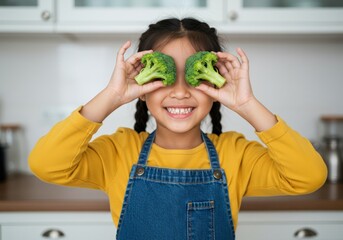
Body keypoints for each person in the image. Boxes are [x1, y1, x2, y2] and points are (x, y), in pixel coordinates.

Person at [29, 18, 327, 240]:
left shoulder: (235, 154)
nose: (181, 91)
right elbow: (46, 164)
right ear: (142, 88)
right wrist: (110, 97)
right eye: (166, 76)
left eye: (196, 77)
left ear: (217, 83)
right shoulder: (119, 151)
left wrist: (247, 103)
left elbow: (309, 176)